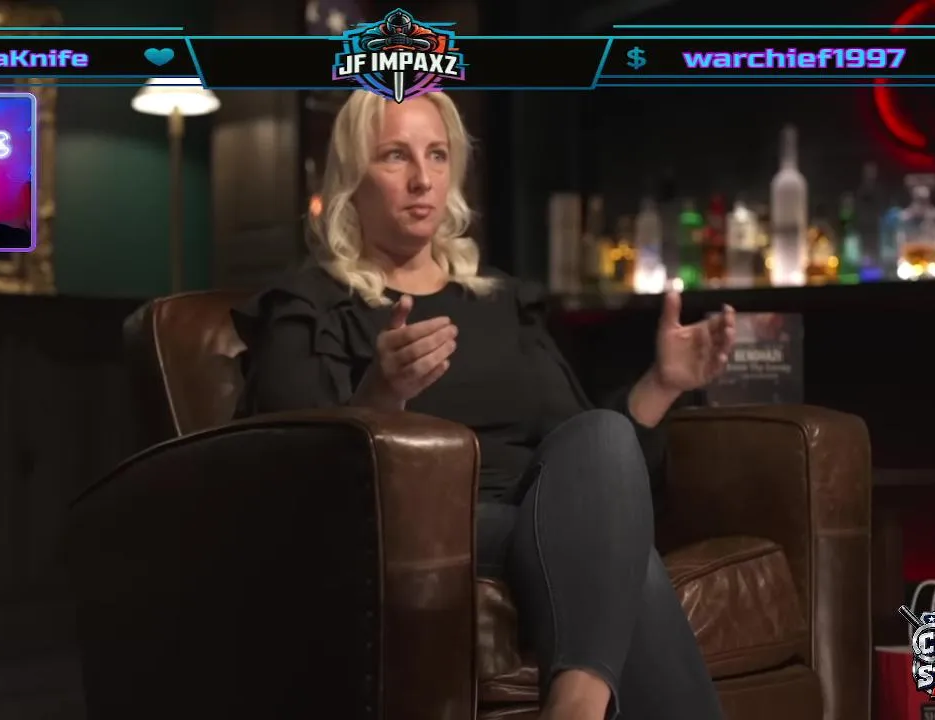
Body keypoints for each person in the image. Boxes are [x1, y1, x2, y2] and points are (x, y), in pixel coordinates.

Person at [231, 90, 735, 720]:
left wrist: (661, 383)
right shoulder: (311, 305)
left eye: (437, 155)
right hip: (425, 525)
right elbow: (297, 475)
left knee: (603, 436)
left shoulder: (499, 301)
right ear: (351, 177)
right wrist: (381, 395)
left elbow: (592, 457)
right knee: (625, 560)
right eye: (395, 156)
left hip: (544, 510)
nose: (422, 179)